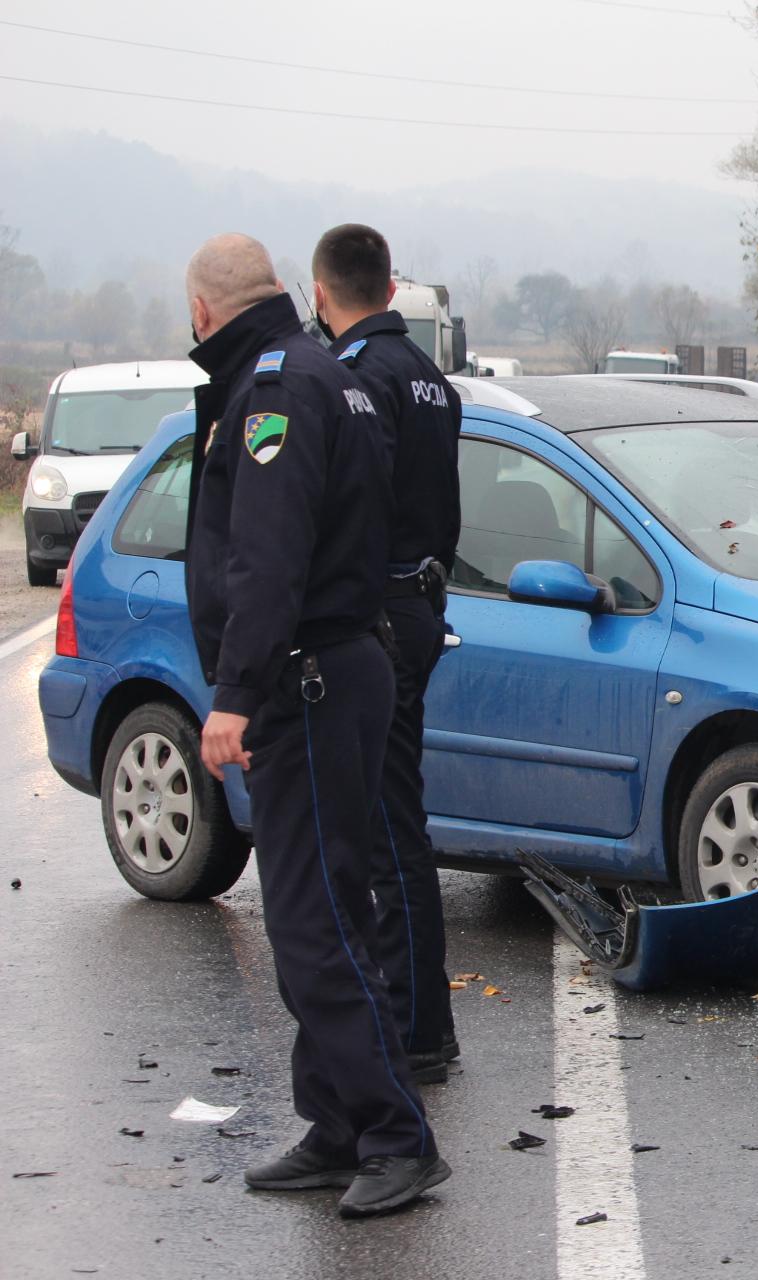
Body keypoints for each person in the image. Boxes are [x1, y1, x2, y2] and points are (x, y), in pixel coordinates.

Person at [183, 233, 448, 1217]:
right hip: (344, 662)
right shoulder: (327, 373)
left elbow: (269, 555)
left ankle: (394, 1133)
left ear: (205, 311)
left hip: (311, 678)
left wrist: (234, 693)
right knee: (334, 906)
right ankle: (338, 1122)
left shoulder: (275, 390)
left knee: (315, 921)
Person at [310, 224, 463, 1085]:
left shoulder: (362, 378)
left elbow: (357, 509)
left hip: (384, 612)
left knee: (387, 829)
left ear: (323, 293)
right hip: (423, 600)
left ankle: (416, 1026)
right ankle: (418, 1018)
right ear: (391, 287)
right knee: (392, 823)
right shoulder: (431, 379)